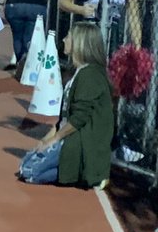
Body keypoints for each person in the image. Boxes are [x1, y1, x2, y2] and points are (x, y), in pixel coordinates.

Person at [17, 23, 112, 188]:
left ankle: (86, 172)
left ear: (79, 43)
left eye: (68, 37)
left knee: (30, 171)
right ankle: (72, 169)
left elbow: (79, 118)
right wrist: (45, 140)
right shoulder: (79, 72)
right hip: (67, 138)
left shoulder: (90, 76)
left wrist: (54, 140)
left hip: (80, 141)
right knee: (27, 161)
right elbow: (63, 117)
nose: (64, 40)